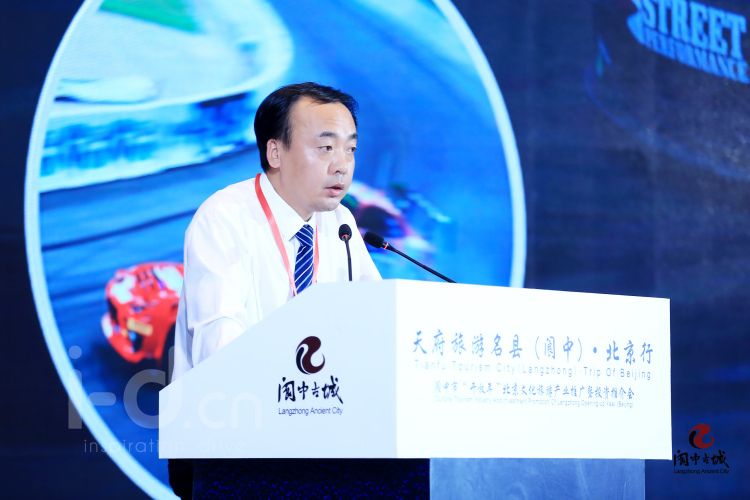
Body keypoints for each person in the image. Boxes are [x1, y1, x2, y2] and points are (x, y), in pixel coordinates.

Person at [167, 82, 381, 498]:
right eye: (326, 148)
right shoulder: (225, 217)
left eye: (350, 149)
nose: (342, 166)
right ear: (275, 152)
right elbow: (219, 345)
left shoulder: (340, 224)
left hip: (317, 432)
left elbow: (376, 319)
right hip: (225, 439)